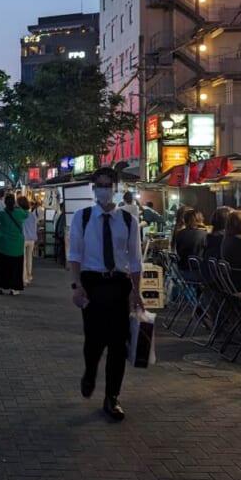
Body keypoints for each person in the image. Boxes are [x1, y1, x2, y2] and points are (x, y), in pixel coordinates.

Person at [67, 167, 144, 422]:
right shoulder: (83, 217)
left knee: (118, 345)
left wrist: (137, 292)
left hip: (118, 285)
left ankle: (112, 396)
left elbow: (134, 259)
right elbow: (75, 255)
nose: (104, 189)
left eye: (108, 184)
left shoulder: (127, 220)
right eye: (99, 185)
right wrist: (77, 285)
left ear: (116, 188)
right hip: (92, 284)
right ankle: (90, 372)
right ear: (93, 188)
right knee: (94, 341)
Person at [0, 193, 28, 295]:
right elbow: (26, 213)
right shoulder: (20, 213)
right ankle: (14, 288)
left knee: (3, 267)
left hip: (4, 244)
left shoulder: (2, 214)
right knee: (16, 267)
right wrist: (17, 207)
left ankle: (0, 287)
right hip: (17, 245)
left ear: (5, 203)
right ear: (14, 203)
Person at [19, 195, 37, 284]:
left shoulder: (19, 214)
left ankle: (24, 278)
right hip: (32, 238)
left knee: (23, 259)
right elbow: (35, 226)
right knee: (30, 258)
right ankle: (29, 276)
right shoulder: (32, 214)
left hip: (23, 238)